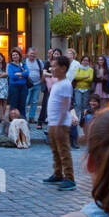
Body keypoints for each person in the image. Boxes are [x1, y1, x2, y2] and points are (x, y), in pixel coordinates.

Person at [44, 55, 77, 190]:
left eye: (55, 66)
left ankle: (69, 178)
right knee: (55, 151)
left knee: (63, 151)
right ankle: (58, 173)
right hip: (53, 122)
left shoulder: (65, 84)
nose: (52, 68)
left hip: (60, 124)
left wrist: (59, 124)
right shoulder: (58, 82)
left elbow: (65, 106)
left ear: (63, 68)